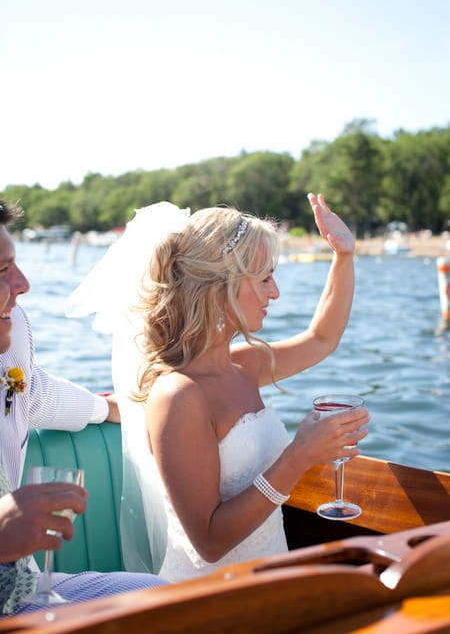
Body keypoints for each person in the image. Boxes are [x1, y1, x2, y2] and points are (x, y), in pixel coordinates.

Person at [66, 195, 370, 583]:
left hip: (270, 582)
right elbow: (209, 541)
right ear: (218, 287)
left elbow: (322, 338)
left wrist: (344, 256)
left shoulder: (244, 364)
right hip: (209, 599)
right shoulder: (178, 397)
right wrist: (299, 455)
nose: (275, 293)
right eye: (264, 279)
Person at [0, 200, 168, 618]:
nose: (23, 284)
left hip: (21, 586)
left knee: (162, 598)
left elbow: (26, 389)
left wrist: (106, 408)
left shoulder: (11, 331)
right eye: (1, 271)